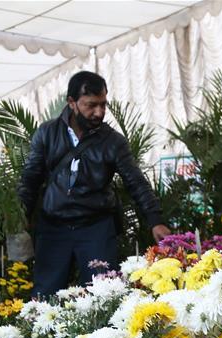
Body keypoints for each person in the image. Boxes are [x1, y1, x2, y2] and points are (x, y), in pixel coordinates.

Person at [17, 71, 170, 297]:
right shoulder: (47, 133)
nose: (99, 112)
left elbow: (136, 182)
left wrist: (155, 220)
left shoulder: (113, 142)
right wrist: (18, 219)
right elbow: (30, 179)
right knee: (45, 296)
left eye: (103, 105)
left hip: (96, 228)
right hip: (53, 229)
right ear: (72, 103)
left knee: (104, 295)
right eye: (91, 105)